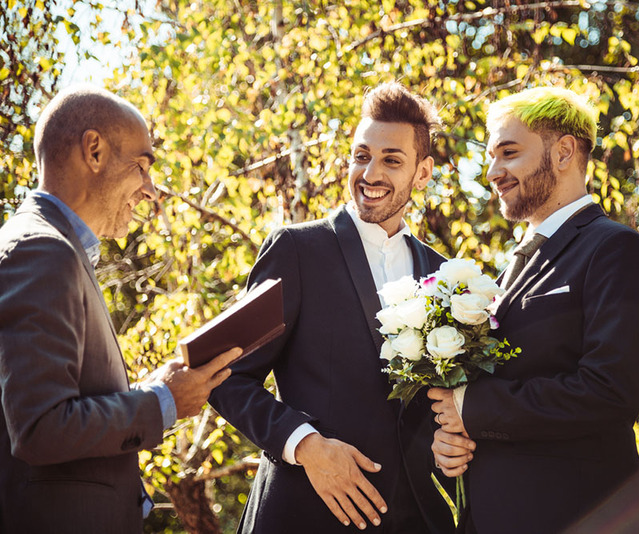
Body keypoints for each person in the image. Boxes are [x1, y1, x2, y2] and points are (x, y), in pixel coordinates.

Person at [209, 82, 454, 533]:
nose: (371, 173)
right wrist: (306, 445)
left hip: (411, 519)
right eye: (362, 156)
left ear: (423, 173)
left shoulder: (444, 276)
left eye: (392, 160)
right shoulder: (298, 250)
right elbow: (222, 374)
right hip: (302, 514)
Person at [0, 85, 242, 534]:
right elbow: (41, 427)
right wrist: (164, 401)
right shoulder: (42, 251)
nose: (151, 191)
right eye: (143, 167)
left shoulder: (58, 252)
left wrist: (153, 388)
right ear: (93, 150)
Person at [428, 87, 639, 533]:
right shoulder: (512, 264)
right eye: (491, 157)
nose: (492, 172)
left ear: (563, 152)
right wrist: (452, 441)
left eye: (509, 153)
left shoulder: (616, 249)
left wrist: (473, 408)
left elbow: (610, 391)